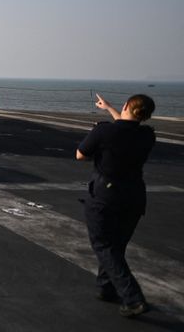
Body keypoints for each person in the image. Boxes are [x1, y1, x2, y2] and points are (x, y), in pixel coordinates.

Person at [76, 93, 156, 318]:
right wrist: (109, 109)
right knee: (116, 246)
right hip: (134, 198)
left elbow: (80, 155)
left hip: (104, 197)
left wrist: (96, 133)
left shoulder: (103, 131)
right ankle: (106, 287)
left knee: (104, 246)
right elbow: (125, 129)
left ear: (127, 106)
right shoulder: (147, 135)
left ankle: (133, 298)